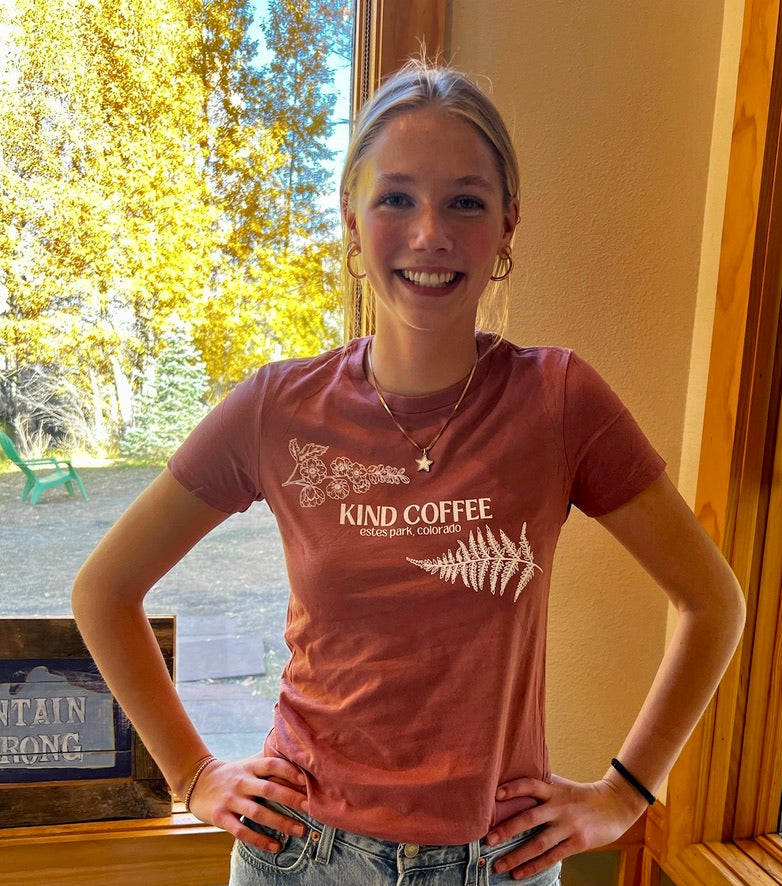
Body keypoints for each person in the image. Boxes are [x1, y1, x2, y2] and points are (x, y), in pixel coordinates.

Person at [72, 59, 745, 885]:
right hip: (303, 856)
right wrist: (192, 774)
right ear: (353, 225)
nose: (431, 232)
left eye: (466, 201)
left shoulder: (558, 399)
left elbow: (713, 603)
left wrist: (626, 793)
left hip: (497, 860)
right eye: (395, 198)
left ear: (507, 227)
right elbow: (103, 591)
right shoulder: (275, 406)